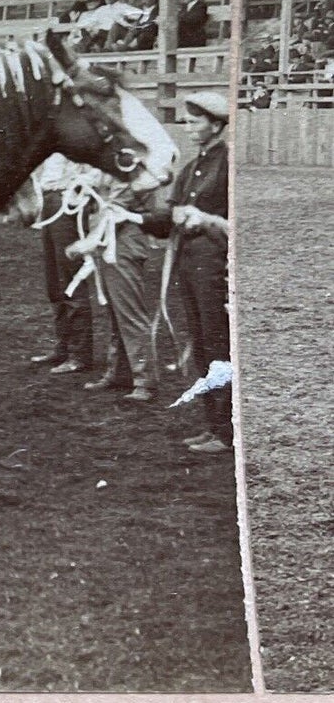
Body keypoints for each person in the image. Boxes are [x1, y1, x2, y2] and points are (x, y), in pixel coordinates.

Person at [142, 91, 232, 454]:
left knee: (218, 346)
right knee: (203, 348)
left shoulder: (226, 165)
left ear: (216, 125)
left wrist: (206, 220)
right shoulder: (194, 166)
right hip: (189, 268)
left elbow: (239, 224)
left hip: (215, 269)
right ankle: (214, 426)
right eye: (189, 120)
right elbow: (167, 220)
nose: (190, 127)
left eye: (197, 121)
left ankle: (226, 431)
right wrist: (133, 216)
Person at [74, 173, 165, 402]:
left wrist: (87, 242)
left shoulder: (131, 171)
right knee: (116, 315)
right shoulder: (116, 169)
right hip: (112, 245)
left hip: (124, 247)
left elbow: (113, 210)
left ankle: (145, 381)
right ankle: (120, 372)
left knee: (130, 315)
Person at [30, 155, 95, 376]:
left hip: (68, 203)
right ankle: (63, 347)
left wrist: (76, 187)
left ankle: (80, 354)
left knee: (71, 277)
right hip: (49, 201)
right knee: (55, 280)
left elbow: (96, 170)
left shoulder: (80, 133)